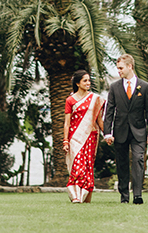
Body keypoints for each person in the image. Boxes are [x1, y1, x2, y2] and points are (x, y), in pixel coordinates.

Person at [103, 54, 148, 204]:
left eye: (121, 68)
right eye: (117, 68)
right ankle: (124, 196)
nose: (118, 71)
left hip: (139, 131)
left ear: (129, 66)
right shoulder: (114, 87)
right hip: (120, 131)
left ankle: (137, 195)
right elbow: (109, 112)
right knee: (122, 163)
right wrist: (107, 132)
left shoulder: (145, 87)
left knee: (138, 160)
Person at [63, 70, 105, 203]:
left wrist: (108, 134)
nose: (88, 83)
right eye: (85, 81)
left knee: (87, 166)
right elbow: (67, 123)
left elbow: (99, 120)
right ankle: (75, 195)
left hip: (91, 137)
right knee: (77, 165)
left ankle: (84, 197)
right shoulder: (70, 100)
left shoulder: (95, 99)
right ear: (77, 83)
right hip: (75, 138)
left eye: (89, 80)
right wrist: (65, 141)